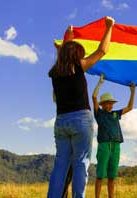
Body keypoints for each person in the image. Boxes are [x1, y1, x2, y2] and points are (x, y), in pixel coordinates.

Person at [47, 16, 115, 198]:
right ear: (77, 56)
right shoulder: (78, 67)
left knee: (60, 165)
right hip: (80, 121)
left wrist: (68, 37)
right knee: (80, 163)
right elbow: (102, 50)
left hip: (61, 121)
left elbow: (63, 55)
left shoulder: (55, 72)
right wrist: (109, 27)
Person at [92, 74, 135, 198]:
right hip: (104, 145)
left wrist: (132, 91)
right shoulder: (99, 114)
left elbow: (130, 107)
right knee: (100, 175)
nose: (110, 105)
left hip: (116, 145)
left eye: (111, 103)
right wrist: (99, 83)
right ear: (103, 104)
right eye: (107, 103)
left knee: (112, 176)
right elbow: (94, 97)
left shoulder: (116, 114)